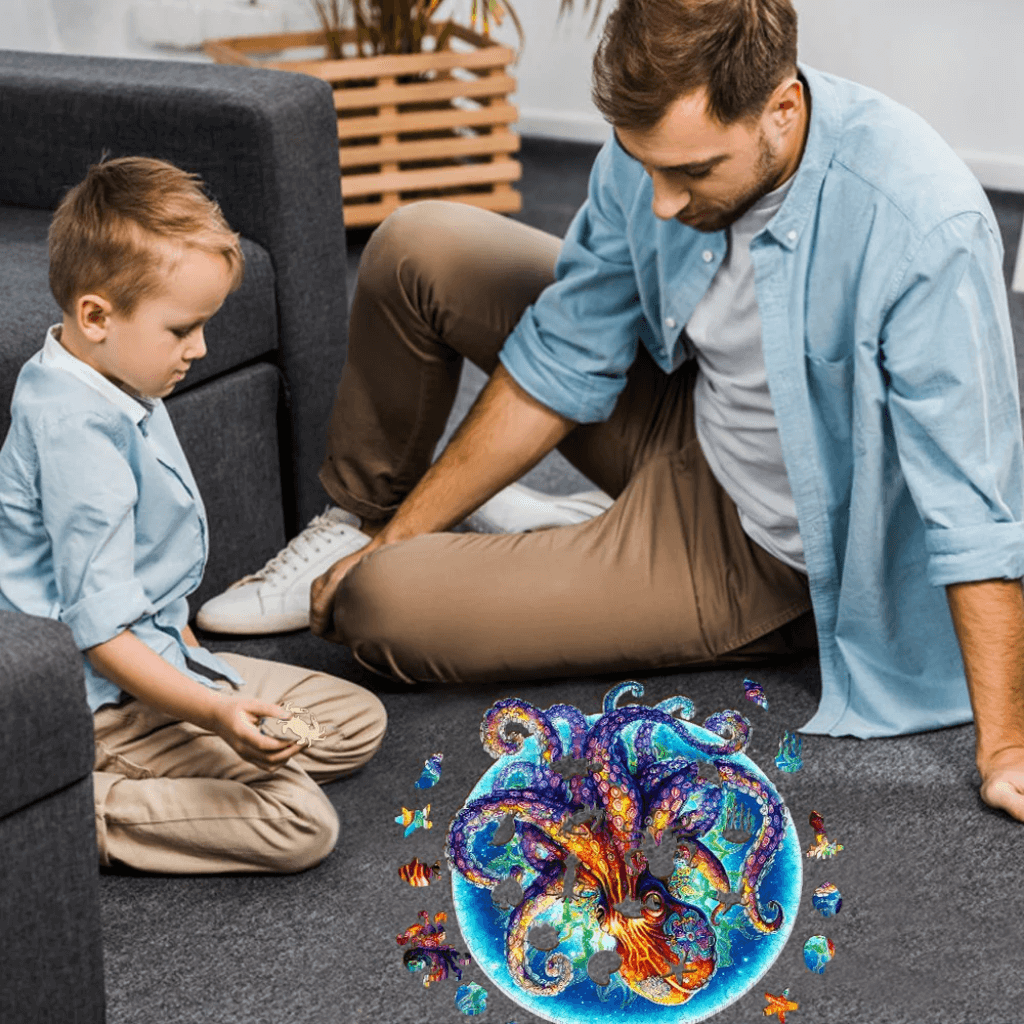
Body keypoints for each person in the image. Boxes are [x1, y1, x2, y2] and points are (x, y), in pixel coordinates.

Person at [198, 0, 1024, 822]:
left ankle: (540, 542)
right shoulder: (658, 146)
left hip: (766, 552)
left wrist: (1007, 748)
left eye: (694, 173)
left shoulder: (922, 225)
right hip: (691, 410)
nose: (662, 201)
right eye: (645, 164)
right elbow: (566, 350)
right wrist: (394, 534)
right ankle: (362, 520)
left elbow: (971, 505)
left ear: (782, 108)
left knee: (376, 605)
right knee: (419, 247)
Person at [0, 156, 387, 874]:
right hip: (104, 700)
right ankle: (77, 807)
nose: (200, 349)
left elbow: (145, 584)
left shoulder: (115, 377)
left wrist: (198, 675)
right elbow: (102, 638)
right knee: (300, 823)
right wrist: (211, 712)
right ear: (96, 315)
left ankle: (199, 767)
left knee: (356, 724)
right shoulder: (75, 434)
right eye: (182, 330)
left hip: (161, 660)